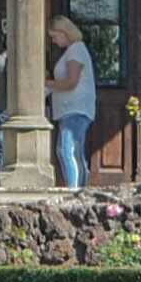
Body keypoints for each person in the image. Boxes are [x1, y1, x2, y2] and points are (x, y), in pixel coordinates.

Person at [49, 12, 98, 191]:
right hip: (67, 109)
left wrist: (46, 83)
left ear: (65, 32)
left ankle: (75, 190)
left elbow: (71, 82)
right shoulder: (71, 51)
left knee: (67, 150)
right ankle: (77, 189)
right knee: (68, 151)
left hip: (75, 109)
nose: (54, 41)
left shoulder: (76, 50)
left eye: (55, 36)